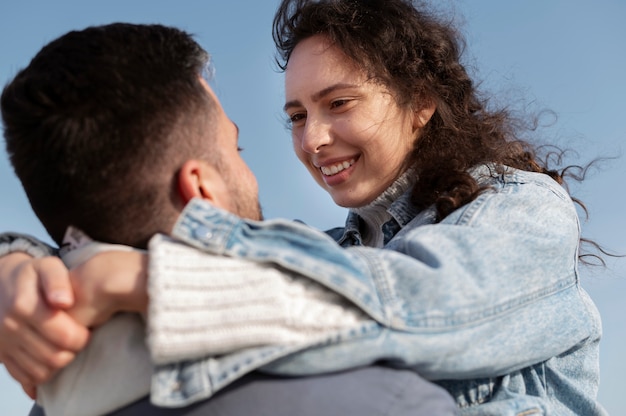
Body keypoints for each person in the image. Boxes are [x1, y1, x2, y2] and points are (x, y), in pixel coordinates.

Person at [0, 0, 610, 414]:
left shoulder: (520, 208)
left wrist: (146, 279)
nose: (312, 139)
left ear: (420, 103)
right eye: (296, 116)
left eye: (339, 103)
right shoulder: (329, 252)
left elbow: (416, 307)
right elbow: (133, 219)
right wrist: (19, 267)